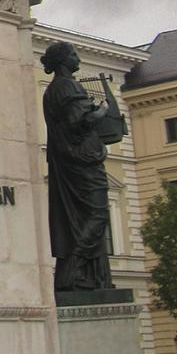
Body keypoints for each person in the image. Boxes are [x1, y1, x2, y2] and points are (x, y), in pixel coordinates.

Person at [40, 41, 115, 293]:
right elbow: (80, 122)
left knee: (80, 217)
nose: (78, 59)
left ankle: (90, 276)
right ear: (63, 60)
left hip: (72, 162)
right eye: (74, 55)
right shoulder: (66, 87)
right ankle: (74, 267)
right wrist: (103, 110)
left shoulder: (55, 89)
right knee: (97, 214)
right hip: (82, 162)